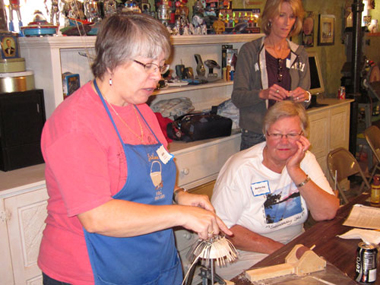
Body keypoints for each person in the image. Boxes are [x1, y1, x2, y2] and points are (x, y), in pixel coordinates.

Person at [38, 12, 231, 285]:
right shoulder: (75, 123)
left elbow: (148, 175)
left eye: (161, 66)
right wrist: (180, 214)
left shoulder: (140, 109)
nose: (157, 77)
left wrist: (178, 196)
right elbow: (97, 217)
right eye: (147, 65)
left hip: (153, 261)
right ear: (111, 61)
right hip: (90, 272)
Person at [211, 101, 339, 280]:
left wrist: (295, 171)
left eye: (292, 134)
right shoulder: (241, 167)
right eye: (277, 134)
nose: (284, 142)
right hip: (243, 252)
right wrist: (285, 251)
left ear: (303, 136)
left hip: (293, 243)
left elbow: (327, 212)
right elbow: (222, 230)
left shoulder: (305, 159)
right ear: (265, 134)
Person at [232, 0, 311, 151]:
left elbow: (305, 100)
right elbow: (237, 97)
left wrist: (305, 96)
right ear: (270, 17)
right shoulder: (250, 51)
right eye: (281, 15)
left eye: (292, 16)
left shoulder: (300, 54)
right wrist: (263, 94)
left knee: (289, 174)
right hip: (256, 134)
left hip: (289, 134)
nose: (287, 22)